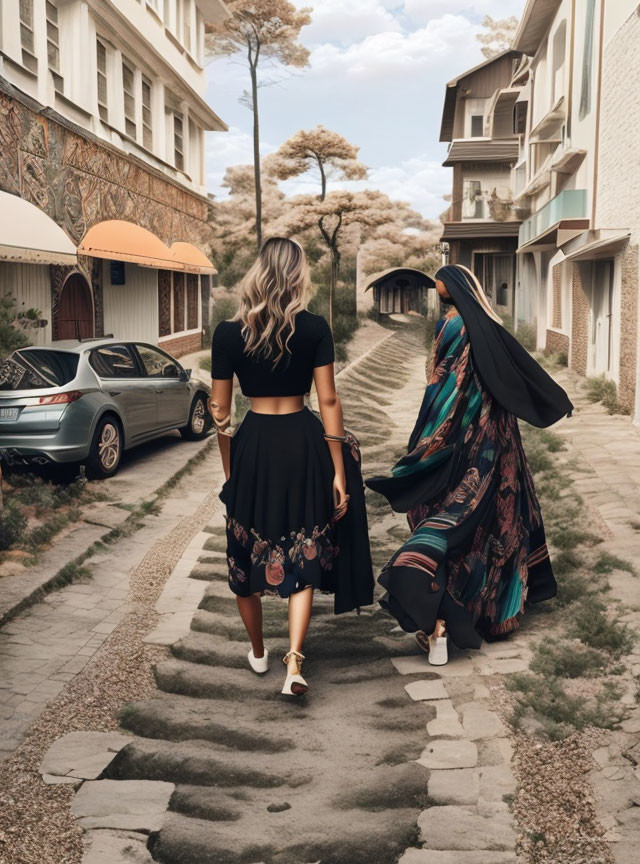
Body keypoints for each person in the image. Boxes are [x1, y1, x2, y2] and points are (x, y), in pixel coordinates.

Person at [367, 264, 573, 665]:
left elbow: (441, 387)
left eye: (439, 278)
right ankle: (491, 615)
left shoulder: (452, 326)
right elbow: (524, 370)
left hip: (463, 443)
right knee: (497, 519)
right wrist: (557, 401)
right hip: (500, 443)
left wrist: (424, 443)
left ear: (450, 287)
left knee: (446, 515)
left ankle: (437, 613)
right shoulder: (488, 324)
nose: (436, 281)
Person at [210, 236, 373, 695]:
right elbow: (330, 400)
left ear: (258, 272)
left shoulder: (226, 334)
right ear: (298, 275)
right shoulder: (316, 328)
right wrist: (338, 469)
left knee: (244, 554)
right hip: (303, 441)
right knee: (302, 546)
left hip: (254, 445)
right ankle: (295, 662)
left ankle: (259, 652)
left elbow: (220, 414)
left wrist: (230, 470)